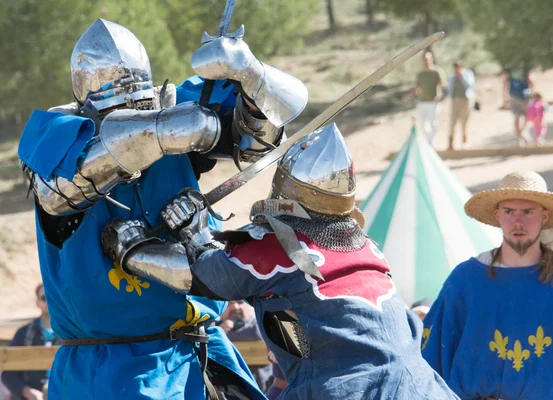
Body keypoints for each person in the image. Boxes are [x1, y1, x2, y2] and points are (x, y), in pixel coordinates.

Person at [17, 18, 307, 399]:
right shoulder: (56, 138)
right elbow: (58, 191)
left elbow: (267, 127)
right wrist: (175, 129)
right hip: (111, 372)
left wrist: (247, 72)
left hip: (205, 354)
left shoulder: (177, 109)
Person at [100, 123, 459, 399]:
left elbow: (204, 275)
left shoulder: (278, 250)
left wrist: (138, 247)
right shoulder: (368, 248)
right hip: (422, 388)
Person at [421, 170, 553, 399]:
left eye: (528, 212)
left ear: (544, 217)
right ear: (497, 215)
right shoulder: (465, 281)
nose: (518, 221)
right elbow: (428, 359)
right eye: (509, 211)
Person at [2, 284, 60, 400]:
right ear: (37, 303)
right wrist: (27, 392)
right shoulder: (24, 333)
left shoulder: (71, 334)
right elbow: (8, 374)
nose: (49, 301)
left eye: (53, 296)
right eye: (44, 298)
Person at [218, 301, 273, 392]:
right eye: (230, 303)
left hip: (262, 389)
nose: (235, 307)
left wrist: (221, 335)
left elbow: (256, 333)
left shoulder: (258, 323)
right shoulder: (212, 327)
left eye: (240, 302)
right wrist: (220, 329)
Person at [404, 52, 446, 145]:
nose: (426, 61)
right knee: (423, 124)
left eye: (428, 59)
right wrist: (409, 95)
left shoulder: (436, 71)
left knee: (433, 123)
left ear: (431, 59)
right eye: (424, 60)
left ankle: (432, 144)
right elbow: (418, 88)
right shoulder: (421, 74)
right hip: (422, 102)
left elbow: (443, 85)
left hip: (433, 102)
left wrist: (442, 98)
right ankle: (428, 142)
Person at [446, 61, 476, 151]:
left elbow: (470, 85)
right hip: (455, 100)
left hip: (465, 100)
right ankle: (450, 144)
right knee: (452, 121)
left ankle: (464, 142)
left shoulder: (467, 74)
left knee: (464, 121)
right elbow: (449, 88)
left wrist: (461, 77)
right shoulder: (452, 76)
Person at [504, 68, 533, 146]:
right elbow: (530, 81)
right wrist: (532, 92)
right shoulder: (524, 68)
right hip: (524, 97)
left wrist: (505, 96)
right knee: (527, 118)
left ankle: (520, 137)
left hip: (513, 96)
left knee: (516, 117)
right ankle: (523, 132)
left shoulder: (510, 68)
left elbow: (505, 82)